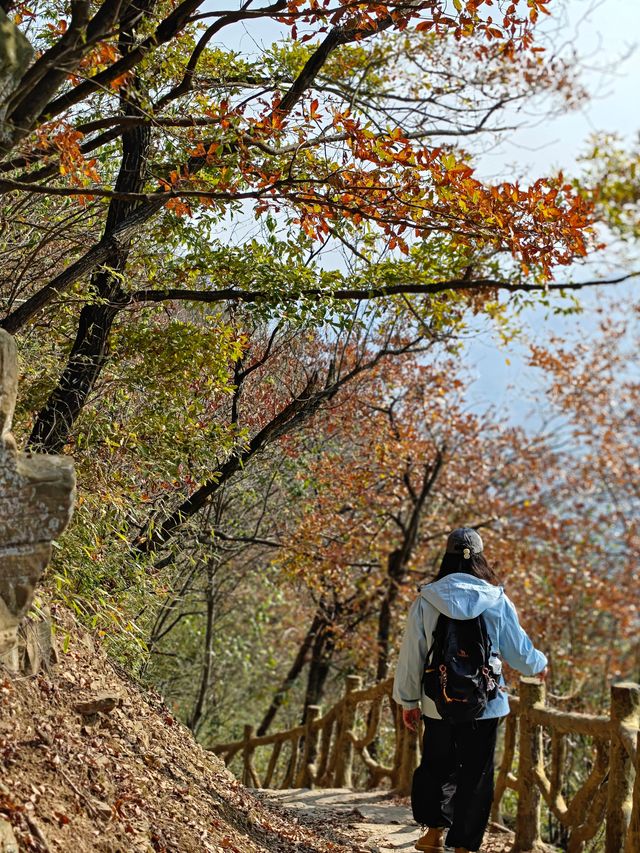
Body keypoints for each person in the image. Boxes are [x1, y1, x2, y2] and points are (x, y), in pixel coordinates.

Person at [392, 527, 547, 853]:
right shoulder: (496, 599)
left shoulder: (427, 599)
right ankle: (464, 846)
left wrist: (408, 700)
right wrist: (538, 665)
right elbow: (518, 652)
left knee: (437, 765)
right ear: (479, 557)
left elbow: (412, 655)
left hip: (438, 702)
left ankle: (433, 835)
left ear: (447, 556)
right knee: (477, 774)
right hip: (486, 703)